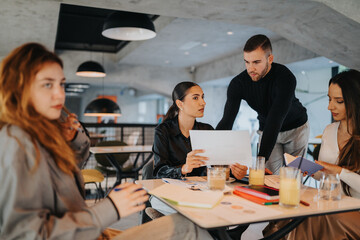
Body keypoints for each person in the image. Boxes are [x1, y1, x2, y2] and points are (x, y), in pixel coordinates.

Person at [0, 43, 213, 240]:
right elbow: (24, 234)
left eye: (62, 84)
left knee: (190, 222)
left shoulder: (39, 134)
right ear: (19, 88)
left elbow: (63, 181)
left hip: (91, 232)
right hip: (89, 232)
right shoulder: (17, 143)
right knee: (191, 226)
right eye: (47, 85)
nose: (59, 95)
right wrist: (110, 207)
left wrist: (74, 142)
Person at [263, 70, 360, 239]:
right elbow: (323, 174)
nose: (330, 107)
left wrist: (339, 171)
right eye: (329, 99)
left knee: (311, 217)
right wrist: (307, 168)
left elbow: (334, 172)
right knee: (293, 211)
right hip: (331, 203)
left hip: (353, 210)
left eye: (339, 101)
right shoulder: (330, 131)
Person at [216, 34, 309, 174]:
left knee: (293, 176)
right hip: (267, 129)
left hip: (295, 128)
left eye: (256, 62)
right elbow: (227, 120)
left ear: (270, 59)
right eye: (247, 62)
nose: (250, 68)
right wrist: (213, 152)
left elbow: (275, 118)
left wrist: (260, 160)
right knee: (269, 176)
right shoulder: (238, 84)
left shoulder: (285, 77)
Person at [153, 81, 248, 180]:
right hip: (172, 190)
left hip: (202, 189)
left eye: (202, 97)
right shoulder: (163, 131)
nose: (203, 102)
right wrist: (184, 168)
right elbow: (159, 172)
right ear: (180, 104)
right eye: (195, 98)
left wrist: (234, 172)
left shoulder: (207, 130)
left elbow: (218, 167)